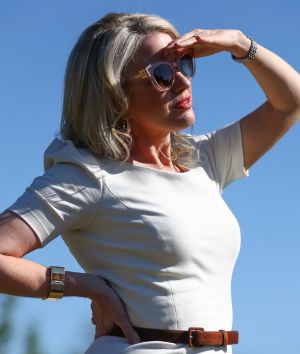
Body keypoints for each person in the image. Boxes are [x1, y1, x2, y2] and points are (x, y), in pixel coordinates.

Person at [0, 11, 299, 354]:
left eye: (184, 65)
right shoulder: (87, 176)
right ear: (115, 94)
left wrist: (239, 43)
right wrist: (84, 286)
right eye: (161, 75)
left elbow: (289, 102)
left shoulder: (204, 161)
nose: (183, 82)